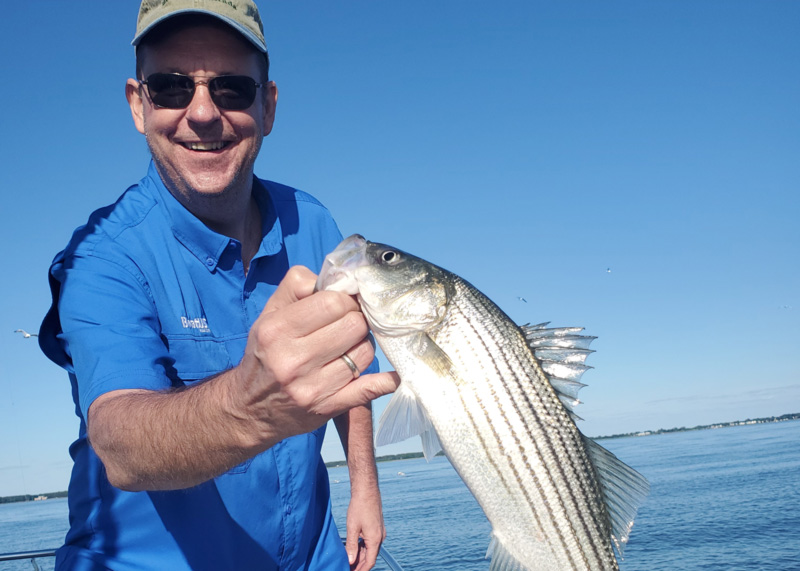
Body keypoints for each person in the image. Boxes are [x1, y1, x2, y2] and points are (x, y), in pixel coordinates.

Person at [38, 1, 400, 569]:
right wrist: (250, 405)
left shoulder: (315, 223)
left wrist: (365, 487)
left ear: (269, 105)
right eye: (172, 87)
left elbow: (353, 366)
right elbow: (121, 445)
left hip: (310, 557)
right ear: (138, 104)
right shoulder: (103, 257)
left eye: (231, 88)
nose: (203, 113)